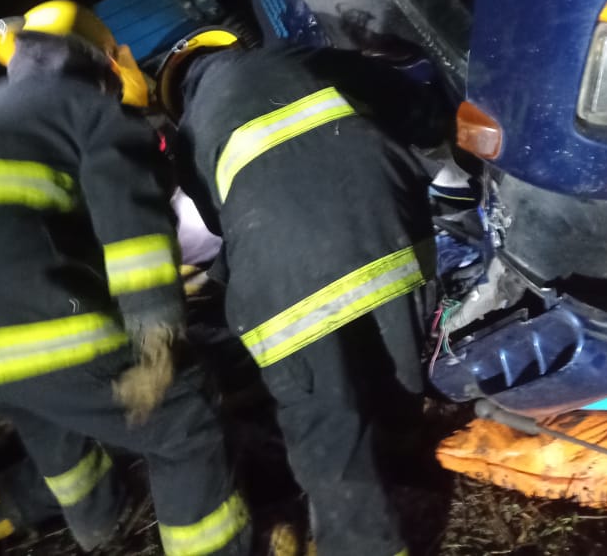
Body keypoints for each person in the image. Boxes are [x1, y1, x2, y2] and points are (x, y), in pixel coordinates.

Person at [0, 1, 250, 555]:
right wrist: (156, 335)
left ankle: (98, 522)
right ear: (111, 63)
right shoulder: (92, 111)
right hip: (18, 315)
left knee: (47, 415)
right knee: (184, 424)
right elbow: (134, 233)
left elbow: (21, 233)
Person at [158, 30, 451, 556]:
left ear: (178, 98)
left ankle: (364, 544)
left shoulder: (190, 136)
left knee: (326, 425)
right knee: (391, 372)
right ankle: (405, 462)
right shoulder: (300, 56)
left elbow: (223, 226)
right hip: (392, 243)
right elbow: (413, 105)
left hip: (288, 285)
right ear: (232, 48)